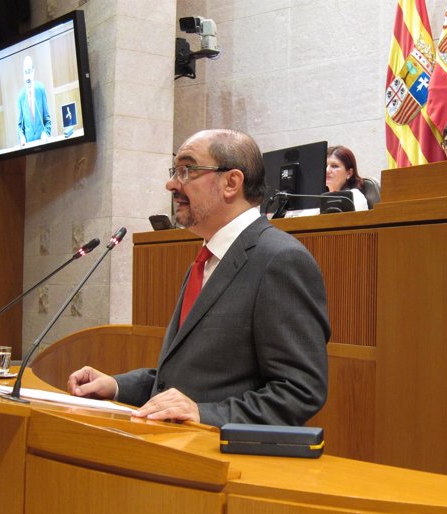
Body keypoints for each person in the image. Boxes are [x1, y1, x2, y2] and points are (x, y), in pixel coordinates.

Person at [68, 129, 330, 427]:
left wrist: (204, 415)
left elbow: (300, 390)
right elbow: (187, 381)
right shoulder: (207, 259)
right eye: (174, 172)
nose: (171, 184)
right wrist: (116, 386)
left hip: (226, 463)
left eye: (186, 171)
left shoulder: (280, 260)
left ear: (231, 182)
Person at [17, 55, 51, 146]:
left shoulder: (40, 89)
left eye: (29, 72)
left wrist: (46, 133)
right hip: (29, 148)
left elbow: (47, 121)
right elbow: (20, 127)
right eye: (25, 73)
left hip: (43, 144)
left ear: (33, 71)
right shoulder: (21, 96)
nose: (27, 76)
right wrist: (21, 137)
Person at [326, 145, 369, 211]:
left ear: (349, 173)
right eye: (325, 166)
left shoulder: (355, 197)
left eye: (334, 166)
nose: (327, 170)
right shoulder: (313, 198)